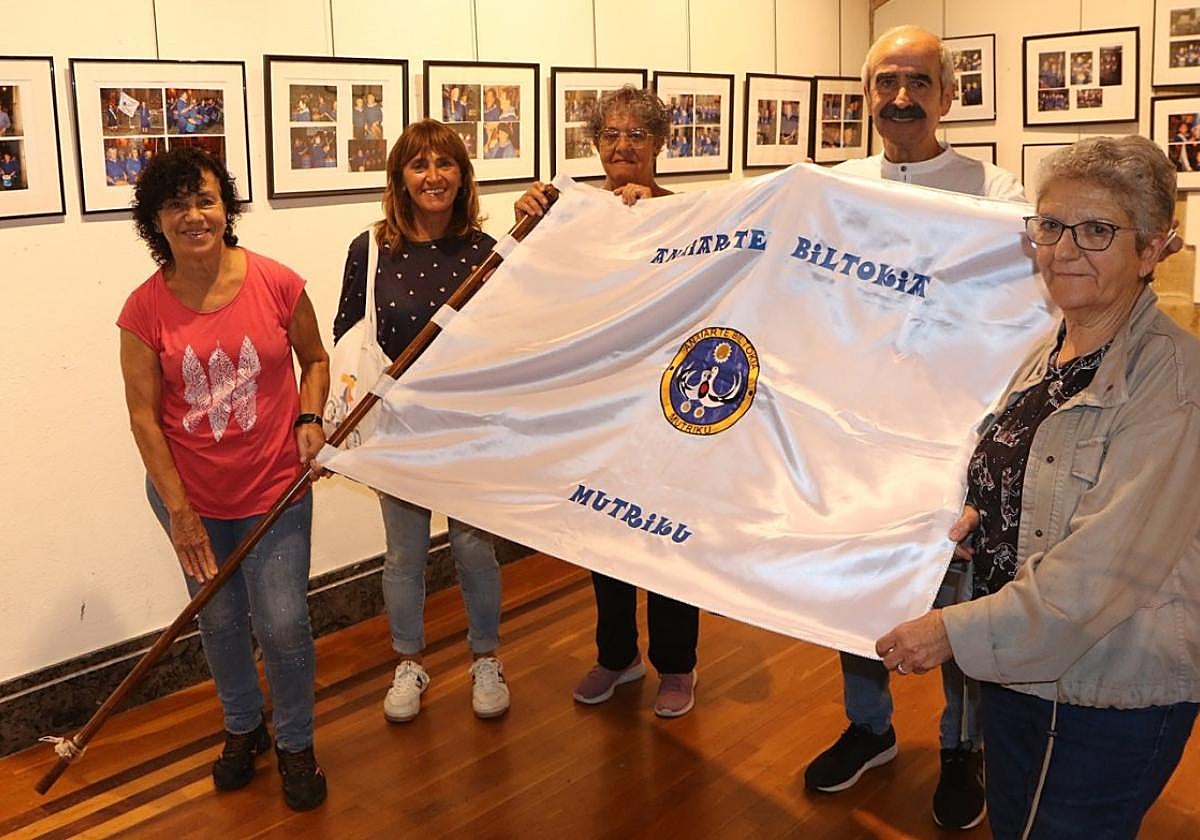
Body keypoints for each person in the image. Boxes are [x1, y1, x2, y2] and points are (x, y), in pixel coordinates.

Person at [877, 135, 1199, 840]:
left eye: (1096, 230)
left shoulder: (1174, 384)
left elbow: (1102, 571)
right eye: (1050, 226)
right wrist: (972, 522)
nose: (1062, 249)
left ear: (1151, 250)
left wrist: (950, 631)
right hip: (1020, 670)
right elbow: (1025, 478)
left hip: (1098, 691)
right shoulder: (1059, 344)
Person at [802, 25, 1026, 832]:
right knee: (856, 588)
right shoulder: (835, 186)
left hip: (953, 433)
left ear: (948, 95)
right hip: (854, 430)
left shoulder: (997, 195)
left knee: (955, 594)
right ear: (866, 96)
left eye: (919, 83)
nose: (901, 99)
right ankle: (870, 727)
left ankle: (961, 747)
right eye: (886, 83)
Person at [117, 147, 330, 811]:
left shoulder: (278, 283)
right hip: (192, 499)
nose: (193, 215)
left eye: (204, 199)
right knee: (219, 623)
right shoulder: (142, 310)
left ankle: (296, 741)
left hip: (273, 487)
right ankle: (245, 727)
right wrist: (180, 511)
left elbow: (315, 360)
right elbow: (144, 420)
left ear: (226, 206)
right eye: (176, 204)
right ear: (156, 219)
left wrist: (310, 415)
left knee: (283, 623)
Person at [514, 86, 699, 718]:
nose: (623, 146)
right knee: (604, 534)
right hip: (602, 407)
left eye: (637, 136)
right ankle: (617, 655)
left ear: (660, 145)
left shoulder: (694, 214)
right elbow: (531, 287)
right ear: (595, 144)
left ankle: (677, 667)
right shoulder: (576, 212)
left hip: (672, 411)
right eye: (611, 135)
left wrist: (657, 218)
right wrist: (530, 217)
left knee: (669, 540)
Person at [332, 119, 509, 724]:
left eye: (445, 164)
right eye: (419, 165)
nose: (433, 177)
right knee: (404, 556)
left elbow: (504, 342)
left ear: (462, 177)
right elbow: (346, 331)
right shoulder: (372, 247)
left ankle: (485, 657)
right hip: (399, 427)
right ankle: (408, 662)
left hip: (466, 425)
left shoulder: (488, 253)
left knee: (473, 550)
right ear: (399, 179)